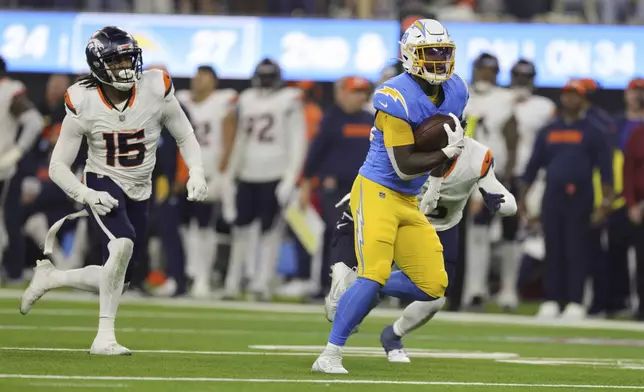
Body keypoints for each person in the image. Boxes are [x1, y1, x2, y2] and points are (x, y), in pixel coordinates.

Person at [19, 26, 208, 355]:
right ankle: (103, 338)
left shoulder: (155, 87)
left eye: (128, 59)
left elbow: (185, 135)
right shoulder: (83, 100)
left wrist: (197, 171)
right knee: (121, 244)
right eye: (116, 60)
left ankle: (51, 278)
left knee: (120, 277)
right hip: (102, 181)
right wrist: (86, 195)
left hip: (141, 187)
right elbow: (57, 166)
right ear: (98, 65)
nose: (125, 67)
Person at [312, 19, 468, 374]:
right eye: (431, 52)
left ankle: (358, 287)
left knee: (433, 285)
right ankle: (329, 355)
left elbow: (452, 133)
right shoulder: (394, 95)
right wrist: (447, 152)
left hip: (409, 199)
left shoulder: (457, 89)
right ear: (410, 55)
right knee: (375, 273)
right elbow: (403, 164)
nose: (440, 59)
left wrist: (438, 182)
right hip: (378, 190)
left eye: (444, 51)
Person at [325, 136, 516, 362]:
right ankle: (334, 347)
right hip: (397, 220)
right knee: (343, 293)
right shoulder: (405, 147)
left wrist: (502, 200)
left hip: (442, 229)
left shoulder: (477, 156)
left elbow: (494, 187)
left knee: (435, 298)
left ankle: (392, 334)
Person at [519, 79, 613, 320]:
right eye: (567, 94)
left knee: (577, 250)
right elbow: (532, 167)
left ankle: (575, 301)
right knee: (553, 249)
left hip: (580, 196)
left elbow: (605, 170)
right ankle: (551, 300)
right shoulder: (549, 131)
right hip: (553, 195)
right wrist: (523, 199)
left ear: (583, 99)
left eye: (575, 95)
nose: (570, 99)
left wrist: (605, 203)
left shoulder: (593, 131)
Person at [221, 58, 307, 300]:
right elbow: (239, 139)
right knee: (240, 230)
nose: (266, 81)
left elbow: (298, 139)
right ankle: (233, 280)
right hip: (247, 172)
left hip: (275, 172)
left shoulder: (290, 99)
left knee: (270, 232)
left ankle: (261, 281)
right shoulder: (247, 98)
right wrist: (230, 174)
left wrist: (291, 176)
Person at [299, 76, 373, 297]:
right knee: (338, 232)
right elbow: (314, 154)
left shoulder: (371, 120)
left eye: (361, 92)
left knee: (364, 236)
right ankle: (326, 283)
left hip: (364, 188)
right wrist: (305, 184)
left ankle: (357, 285)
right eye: (353, 92)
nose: (358, 96)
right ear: (341, 93)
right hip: (335, 187)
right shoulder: (330, 120)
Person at [461, 52, 517, 309]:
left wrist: (508, 172)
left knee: (506, 233)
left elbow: (512, 136)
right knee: (473, 233)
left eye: (490, 71)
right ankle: (472, 288)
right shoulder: (461, 93)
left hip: (495, 173)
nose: (485, 75)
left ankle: (502, 289)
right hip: (462, 173)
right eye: (482, 70)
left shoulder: (505, 99)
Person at [175, 65, 237, 298]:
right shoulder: (181, 100)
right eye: (197, 76)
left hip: (209, 172)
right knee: (183, 227)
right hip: (184, 173)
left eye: (204, 77)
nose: (198, 81)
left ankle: (203, 277)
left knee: (204, 228)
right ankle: (188, 274)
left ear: (214, 81)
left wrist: (225, 166)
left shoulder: (223, 102)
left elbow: (230, 130)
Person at [499, 59, 556, 310]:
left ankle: (515, 289)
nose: (521, 79)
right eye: (518, 75)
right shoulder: (495, 100)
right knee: (490, 237)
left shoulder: (544, 107)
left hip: (530, 178)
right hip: (495, 175)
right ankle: (482, 290)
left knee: (525, 234)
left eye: (527, 75)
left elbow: (549, 146)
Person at [0, 55, 45, 281]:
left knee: (7, 219)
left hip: (3, 165)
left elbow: (34, 121)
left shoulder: (9, 91)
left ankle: (12, 269)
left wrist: (17, 151)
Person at [623, 108, 644, 321]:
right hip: (641, 205)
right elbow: (628, 171)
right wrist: (631, 204)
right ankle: (641, 307)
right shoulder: (638, 134)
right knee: (641, 260)